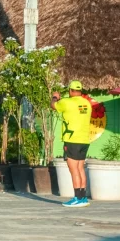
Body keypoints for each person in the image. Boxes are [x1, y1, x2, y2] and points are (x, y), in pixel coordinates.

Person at [52, 80, 92, 208]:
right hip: (84, 140)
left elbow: (54, 106)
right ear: (80, 90)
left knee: (73, 169)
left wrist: (55, 97)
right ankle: (83, 197)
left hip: (72, 139)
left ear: (70, 90)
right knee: (80, 168)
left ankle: (77, 198)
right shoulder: (87, 103)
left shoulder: (66, 102)